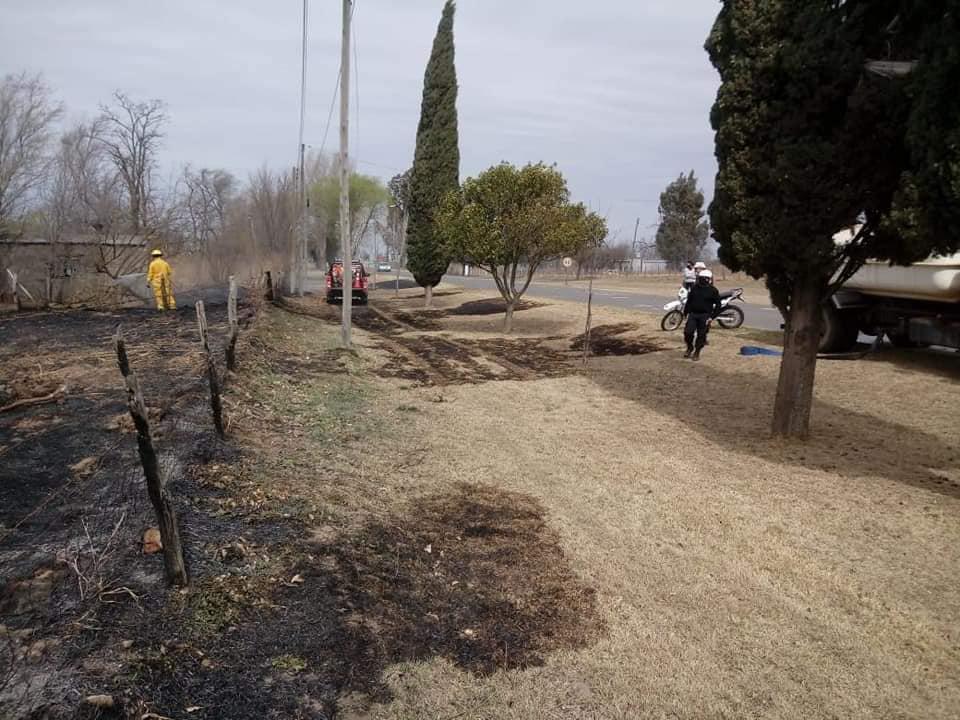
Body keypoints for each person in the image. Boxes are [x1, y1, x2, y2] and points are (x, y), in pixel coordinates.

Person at [683, 268, 720, 361]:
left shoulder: (713, 290)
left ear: (708, 279)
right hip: (693, 314)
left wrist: (712, 317)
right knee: (688, 332)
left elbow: (718, 305)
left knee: (701, 335)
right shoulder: (694, 288)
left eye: (704, 278)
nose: (701, 280)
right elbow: (689, 301)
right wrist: (685, 313)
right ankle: (690, 347)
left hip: (705, 316)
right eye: (700, 278)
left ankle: (697, 352)